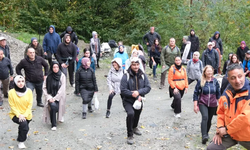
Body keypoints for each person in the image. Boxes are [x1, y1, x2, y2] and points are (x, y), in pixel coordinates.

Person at [207, 64, 250, 150]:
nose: (237, 81)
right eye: (233, 78)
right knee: (212, 148)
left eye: (240, 76)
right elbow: (221, 112)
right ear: (228, 79)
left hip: (247, 135)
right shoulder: (226, 93)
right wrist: (219, 128)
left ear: (244, 75)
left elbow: (245, 118)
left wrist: (226, 130)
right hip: (231, 134)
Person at [120, 57, 151, 145]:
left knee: (137, 114)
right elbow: (122, 90)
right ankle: (130, 135)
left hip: (139, 99)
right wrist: (131, 94)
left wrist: (139, 92)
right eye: (134, 65)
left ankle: (134, 127)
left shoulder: (143, 75)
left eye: (137, 65)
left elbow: (148, 87)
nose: (136, 67)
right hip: (128, 100)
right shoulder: (126, 75)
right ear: (131, 65)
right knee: (131, 114)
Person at [193, 65, 221, 144]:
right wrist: (195, 105)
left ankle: (206, 133)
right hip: (203, 102)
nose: (209, 72)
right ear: (204, 72)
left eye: (210, 71)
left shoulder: (215, 81)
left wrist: (220, 104)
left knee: (209, 119)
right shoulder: (200, 81)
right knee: (205, 117)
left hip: (213, 103)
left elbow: (218, 93)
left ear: (212, 72)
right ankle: (204, 136)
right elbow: (196, 93)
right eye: (208, 71)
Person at [8, 75, 33, 149]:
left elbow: (30, 105)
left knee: (25, 127)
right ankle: (21, 142)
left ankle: (24, 132)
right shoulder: (11, 93)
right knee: (24, 124)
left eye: (22, 81)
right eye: (18, 82)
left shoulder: (29, 91)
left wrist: (24, 115)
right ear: (15, 82)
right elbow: (12, 106)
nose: (21, 83)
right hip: (15, 114)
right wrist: (19, 115)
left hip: (27, 114)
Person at [43, 61, 66, 131]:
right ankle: (53, 124)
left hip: (59, 97)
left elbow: (62, 88)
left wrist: (56, 98)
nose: (55, 69)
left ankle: (59, 117)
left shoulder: (62, 76)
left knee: (57, 108)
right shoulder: (48, 77)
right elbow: (44, 87)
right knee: (53, 106)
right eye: (54, 67)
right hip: (50, 95)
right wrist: (49, 97)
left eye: (57, 67)